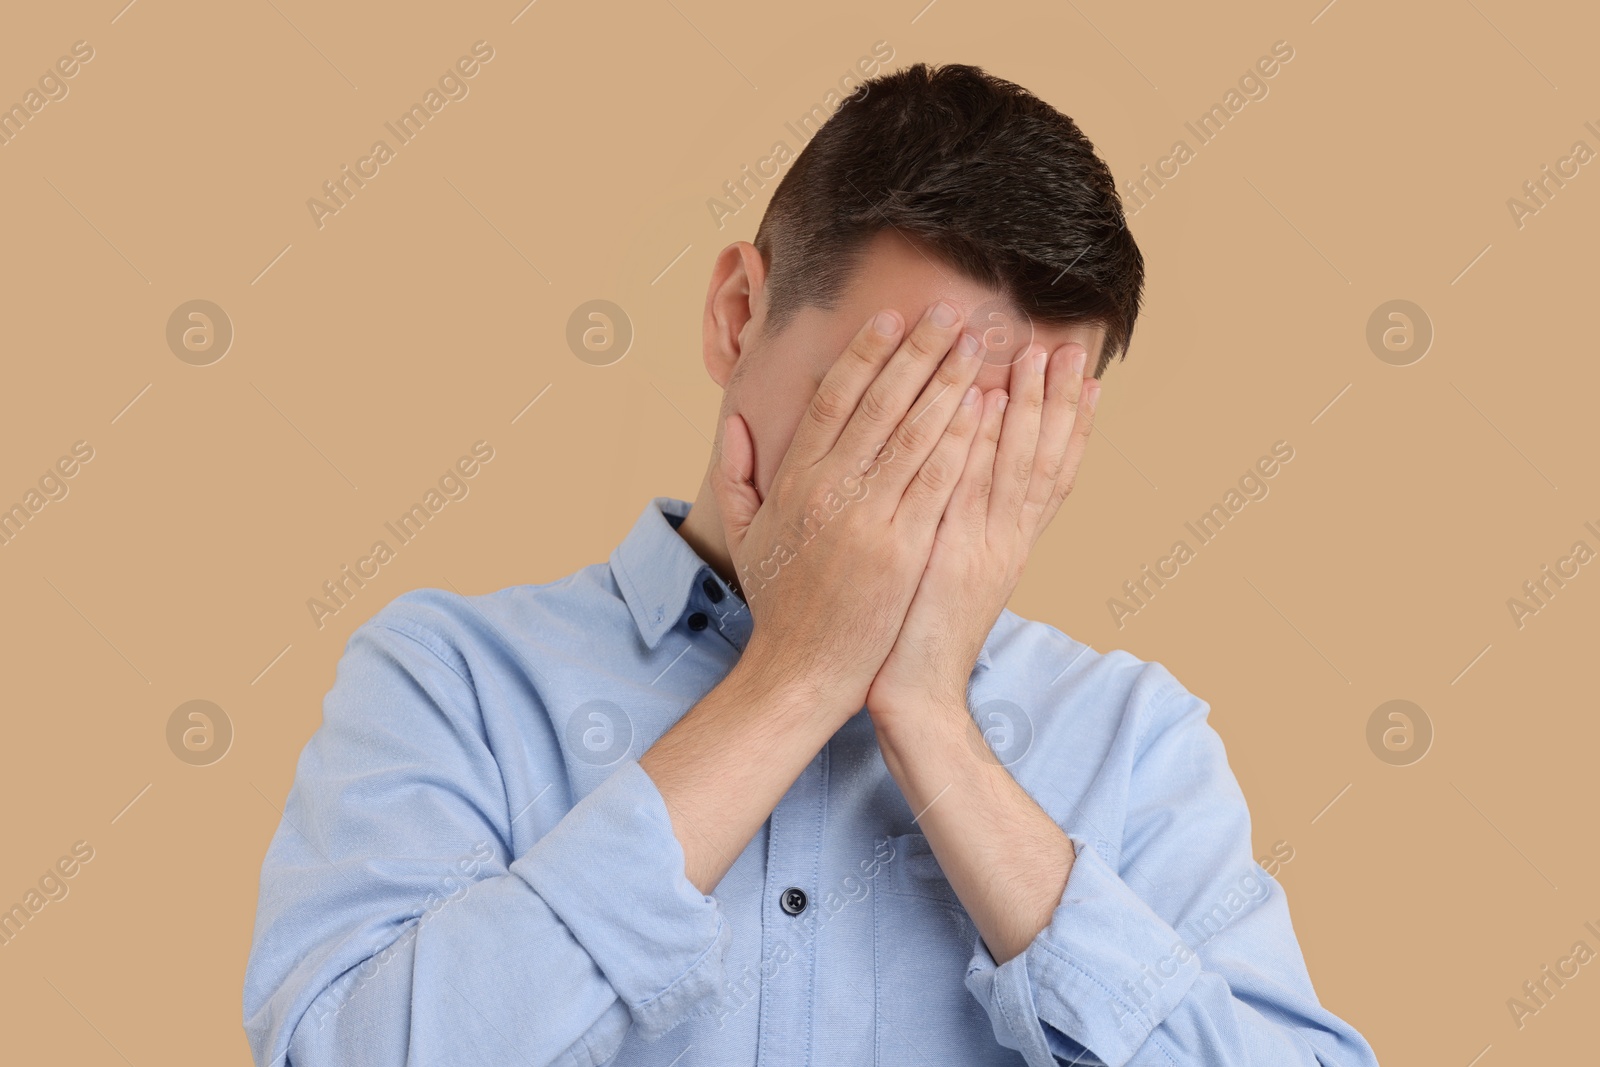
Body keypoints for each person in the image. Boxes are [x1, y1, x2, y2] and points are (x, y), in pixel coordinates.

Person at [244, 63, 1380, 1066]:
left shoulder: (1137, 740)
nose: (927, 478)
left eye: (1000, 430)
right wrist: (790, 680)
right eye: (888, 401)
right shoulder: (454, 679)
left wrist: (931, 717)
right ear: (740, 315)